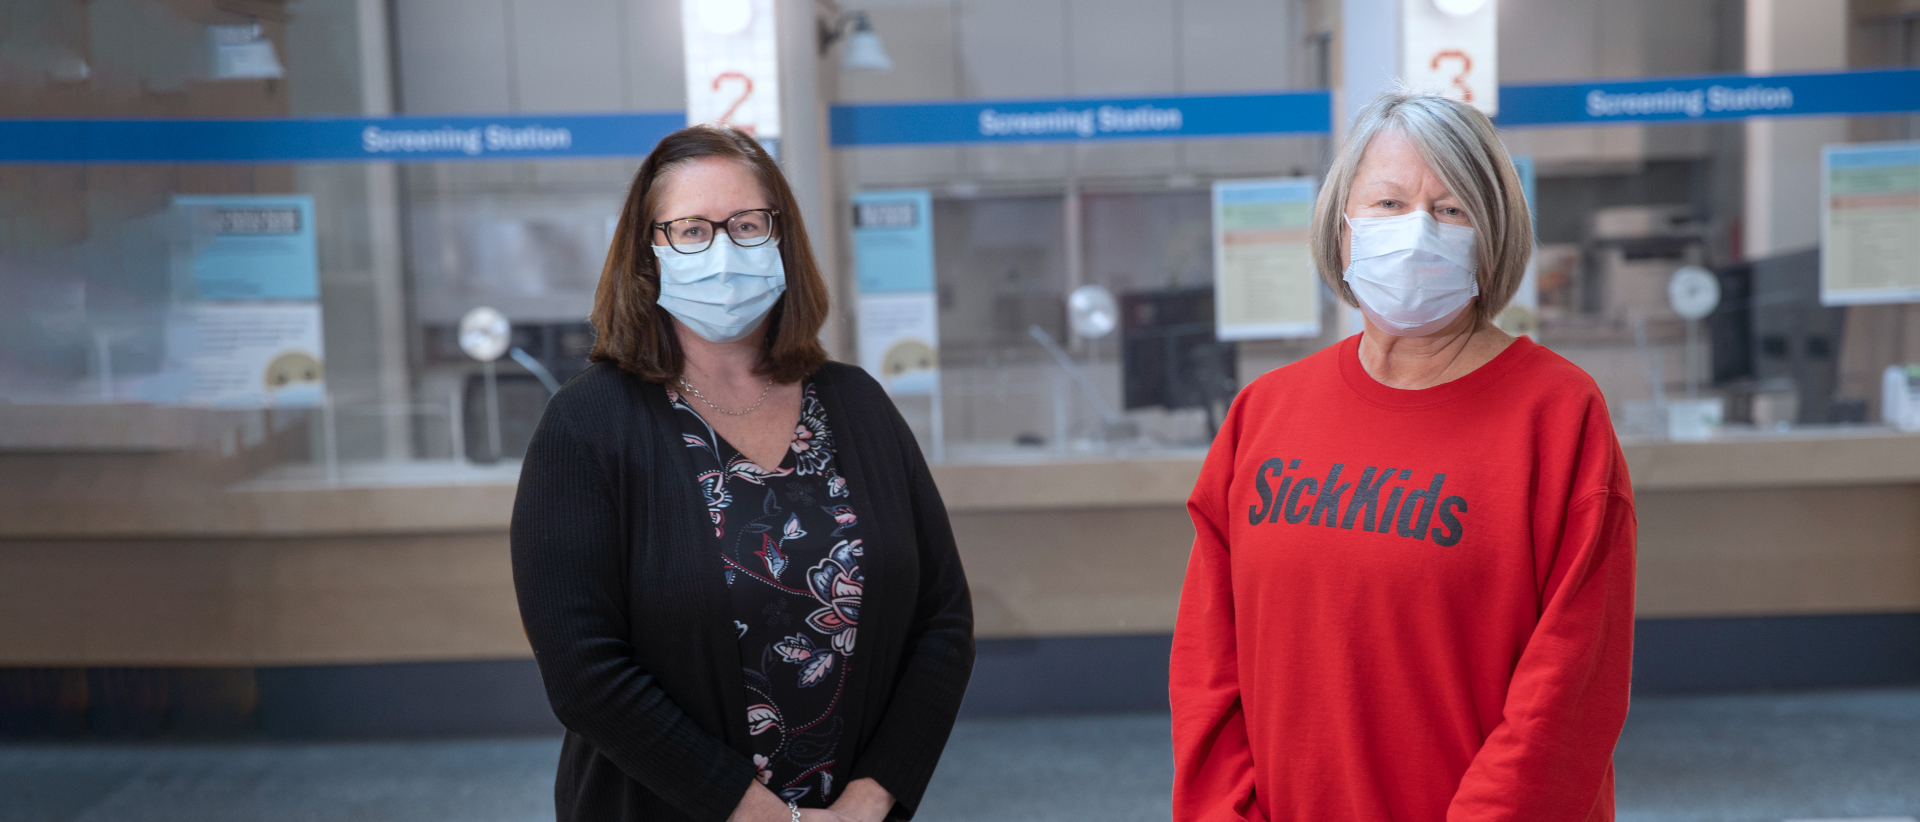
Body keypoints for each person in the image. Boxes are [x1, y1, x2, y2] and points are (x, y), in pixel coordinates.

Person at [1170, 91, 1637, 822]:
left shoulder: (1559, 417)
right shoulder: (1264, 413)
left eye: (1451, 210)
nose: (1416, 232)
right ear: (1343, 225)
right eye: (1388, 203)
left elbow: (1569, 691)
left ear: (1492, 237)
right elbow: (1208, 666)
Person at [511, 125, 974, 822]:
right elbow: (585, 676)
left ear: (781, 236)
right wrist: (758, 813)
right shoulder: (587, 425)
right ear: (648, 252)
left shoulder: (856, 403)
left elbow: (942, 621)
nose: (724, 250)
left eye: (748, 224)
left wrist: (872, 798)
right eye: (691, 230)